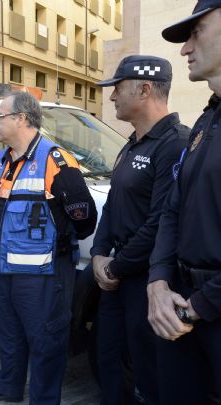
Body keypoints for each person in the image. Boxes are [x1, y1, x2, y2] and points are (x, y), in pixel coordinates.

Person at [0, 92, 97, 404]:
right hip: (4, 269)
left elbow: (85, 219)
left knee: (45, 341)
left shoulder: (56, 161)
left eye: (0, 116)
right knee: (9, 334)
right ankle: (8, 387)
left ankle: (43, 399)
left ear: (21, 119)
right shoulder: (2, 159)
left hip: (42, 275)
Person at [90, 55, 190, 405]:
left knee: (149, 373)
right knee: (108, 363)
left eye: (117, 88)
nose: (112, 97)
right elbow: (113, 205)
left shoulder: (176, 143)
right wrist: (99, 253)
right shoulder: (132, 143)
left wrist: (115, 267)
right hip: (116, 278)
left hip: (149, 281)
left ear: (145, 89)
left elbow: (162, 221)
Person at [148, 3, 221, 403]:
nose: (185, 48)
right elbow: (173, 208)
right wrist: (158, 282)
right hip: (179, 306)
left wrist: (197, 307)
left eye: (197, 31)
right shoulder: (207, 119)